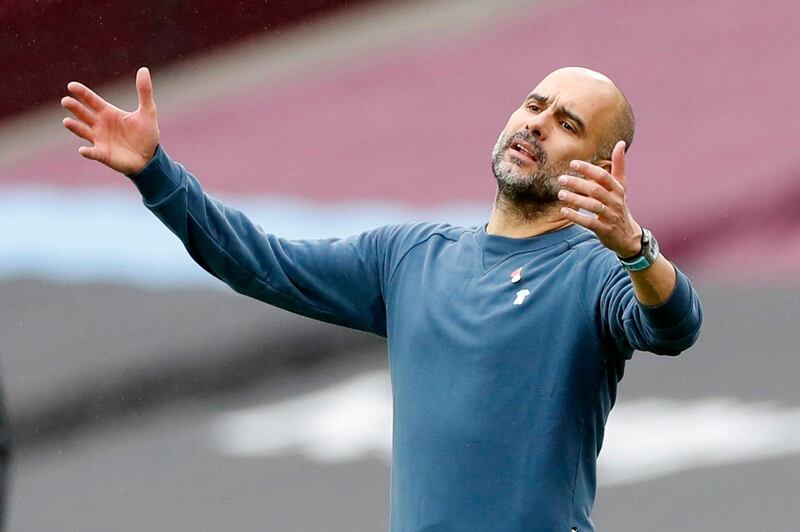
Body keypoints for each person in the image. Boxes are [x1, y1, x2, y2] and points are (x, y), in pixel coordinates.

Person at [61, 66, 702, 532]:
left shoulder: (593, 272)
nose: (536, 124)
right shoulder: (410, 256)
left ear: (599, 164)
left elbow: (675, 324)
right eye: (533, 104)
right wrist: (156, 173)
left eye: (567, 124)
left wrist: (635, 246)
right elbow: (258, 263)